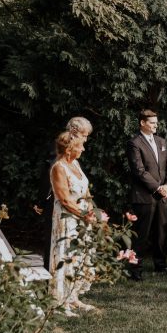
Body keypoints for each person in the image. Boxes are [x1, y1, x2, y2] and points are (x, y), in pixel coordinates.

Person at [34, 117, 93, 270]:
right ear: (74, 132)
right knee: (55, 244)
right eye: (84, 135)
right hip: (57, 202)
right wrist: (41, 201)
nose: (86, 140)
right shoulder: (59, 148)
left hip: (75, 206)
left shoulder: (75, 154)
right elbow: (49, 176)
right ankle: (52, 278)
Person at [49, 131, 95, 316]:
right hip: (67, 220)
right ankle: (60, 303)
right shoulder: (58, 168)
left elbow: (84, 189)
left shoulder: (74, 163)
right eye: (80, 146)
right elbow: (65, 200)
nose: (83, 148)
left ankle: (73, 297)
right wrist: (84, 214)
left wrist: (91, 209)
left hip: (83, 219)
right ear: (69, 149)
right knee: (65, 256)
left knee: (79, 257)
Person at [126, 110, 167, 281]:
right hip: (144, 195)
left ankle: (160, 264)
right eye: (152, 122)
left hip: (162, 194)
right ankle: (135, 269)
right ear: (142, 123)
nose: (155, 125)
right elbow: (139, 171)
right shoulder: (134, 143)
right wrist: (157, 187)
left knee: (160, 232)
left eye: (156, 122)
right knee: (141, 234)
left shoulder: (162, 141)